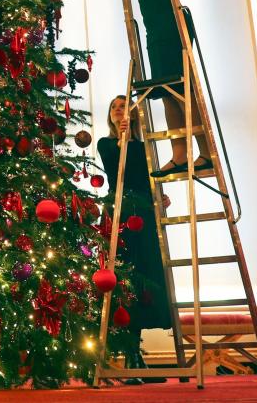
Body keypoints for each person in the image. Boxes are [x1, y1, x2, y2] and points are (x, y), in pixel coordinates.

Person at [62, 0, 209, 176]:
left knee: (181, 93)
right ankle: (179, 155)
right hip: (157, 33)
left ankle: (205, 154)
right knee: (166, 93)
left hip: (168, 32)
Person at [96, 95, 170, 384]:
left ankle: (135, 356)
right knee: (124, 277)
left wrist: (159, 195)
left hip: (145, 215)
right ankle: (130, 354)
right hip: (121, 212)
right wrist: (123, 138)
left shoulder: (145, 146)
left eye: (123, 106)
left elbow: (148, 177)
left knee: (145, 277)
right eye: (113, 106)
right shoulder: (106, 144)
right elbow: (118, 168)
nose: (118, 109)